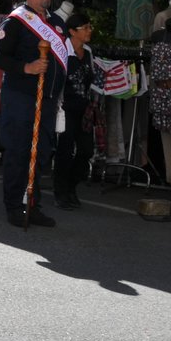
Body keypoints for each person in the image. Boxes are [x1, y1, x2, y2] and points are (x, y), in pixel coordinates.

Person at [0, 0, 68, 226]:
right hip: (21, 98)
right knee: (19, 153)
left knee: (42, 153)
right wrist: (27, 67)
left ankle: (32, 205)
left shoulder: (57, 22)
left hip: (47, 99)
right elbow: (0, 58)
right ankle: (14, 206)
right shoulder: (15, 21)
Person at [52, 11, 98, 210]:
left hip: (84, 109)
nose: (89, 31)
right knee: (65, 151)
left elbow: (91, 79)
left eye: (89, 27)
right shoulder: (63, 50)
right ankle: (61, 192)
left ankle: (71, 186)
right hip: (66, 108)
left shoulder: (87, 52)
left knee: (86, 150)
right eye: (85, 27)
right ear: (72, 31)